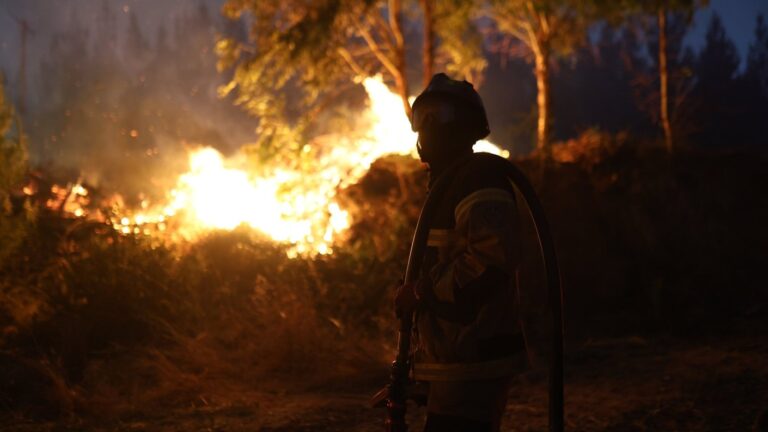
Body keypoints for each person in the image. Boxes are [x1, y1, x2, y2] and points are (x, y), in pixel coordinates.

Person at [395, 73, 528, 432]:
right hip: (455, 358)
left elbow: (490, 260)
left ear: (467, 125)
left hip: (475, 357)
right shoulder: (449, 182)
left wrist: (422, 291)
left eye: (438, 115)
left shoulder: (479, 179)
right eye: (422, 118)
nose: (427, 127)